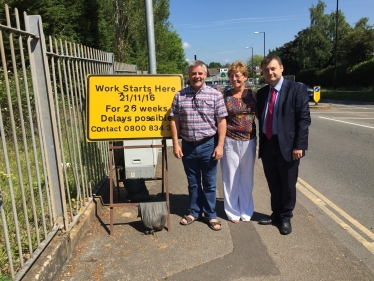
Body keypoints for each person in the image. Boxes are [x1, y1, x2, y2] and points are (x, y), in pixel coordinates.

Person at [170, 60, 228, 231]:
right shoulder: (179, 96)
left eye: (200, 73)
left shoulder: (215, 95)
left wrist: (220, 145)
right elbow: (174, 120)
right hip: (187, 146)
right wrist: (176, 144)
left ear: (205, 75)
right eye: (194, 73)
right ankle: (194, 212)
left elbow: (222, 121)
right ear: (189, 75)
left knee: (209, 183)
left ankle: (210, 214)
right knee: (193, 182)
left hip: (208, 145)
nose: (197, 76)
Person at [257, 54, 311, 235]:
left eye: (273, 68)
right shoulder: (262, 92)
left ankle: (286, 217)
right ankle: (276, 214)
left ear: (281, 68)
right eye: (266, 70)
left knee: (288, 184)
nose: (270, 72)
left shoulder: (297, 89)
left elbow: (303, 119)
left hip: (288, 146)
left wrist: (299, 145)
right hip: (268, 144)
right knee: (273, 183)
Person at [220, 60, 257, 223]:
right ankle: (232, 211)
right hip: (230, 140)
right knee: (231, 176)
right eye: (232, 76)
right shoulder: (225, 95)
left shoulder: (253, 94)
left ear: (245, 77)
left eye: (238, 76)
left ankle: (246, 210)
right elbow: (220, 119)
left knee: (247, 177)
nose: (235, 79)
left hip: (250, 140)